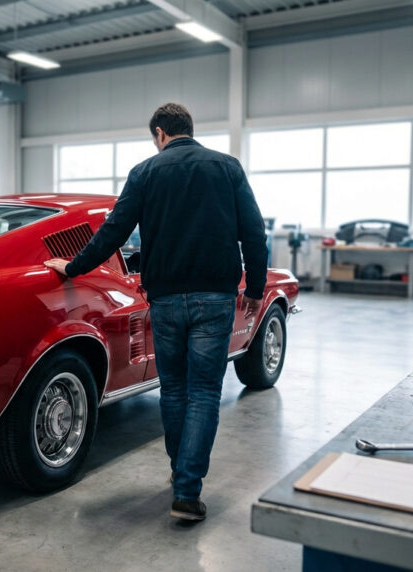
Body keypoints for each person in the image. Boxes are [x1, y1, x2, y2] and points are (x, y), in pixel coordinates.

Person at [45, 103, 267, 522]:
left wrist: (72, 267)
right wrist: (254, 288)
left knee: (175, 390)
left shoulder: (145, 172)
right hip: (215, 298)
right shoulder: (227, 167)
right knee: (204, 392)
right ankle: (187, 489)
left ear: (160, 133)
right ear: (189, 130)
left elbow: (113, 232)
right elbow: (254, 232)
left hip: (164, 300)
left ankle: (177, 471)